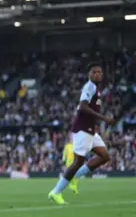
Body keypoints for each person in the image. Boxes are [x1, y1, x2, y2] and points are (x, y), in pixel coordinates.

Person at [48, 63, 113, 205]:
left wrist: (96, 124)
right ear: (89, 74)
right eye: (94, 72)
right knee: (78, 162)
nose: (98, 74)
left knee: (104, 156)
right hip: (83, 129)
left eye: (100, 72)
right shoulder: (89, 87)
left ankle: (75, 177)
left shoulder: (97, 89)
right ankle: (56, 192)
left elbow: (91, 108)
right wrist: (104, 119)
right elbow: (83, 106)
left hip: (90, 129)